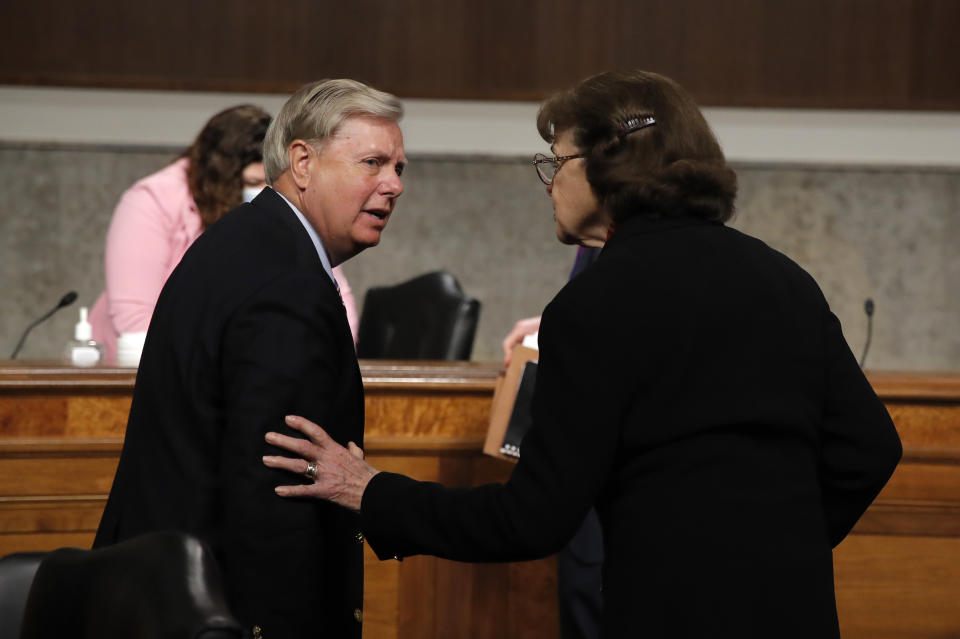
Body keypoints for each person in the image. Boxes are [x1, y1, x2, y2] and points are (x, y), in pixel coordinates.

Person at [263, 70, 903, 637]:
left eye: (556, 160)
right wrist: (783, 549)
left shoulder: (595, 306)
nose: (549, 182)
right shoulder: (783, 277)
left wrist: (374, 492)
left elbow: (532, 520)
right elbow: (871, 446)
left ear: (605, 167)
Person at [94, 79, 406, 638]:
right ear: (303, 162)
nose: (393, 185)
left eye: (399, 169)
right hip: (219, 608)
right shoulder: (283, 280)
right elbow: (276, 487)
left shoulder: (249, 240)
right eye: (372, 162)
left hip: (166, 589)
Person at [89, 104, 359, 363]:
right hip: (150, 369)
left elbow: (334, 296)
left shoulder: (284, 206)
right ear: (216, 179)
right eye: (252, 184)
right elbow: (136, 318)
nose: (264, 195)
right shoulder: (152, 200)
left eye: (269, 183)